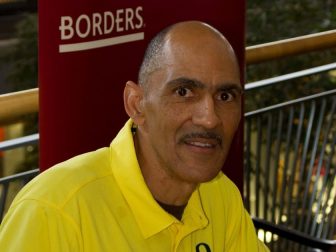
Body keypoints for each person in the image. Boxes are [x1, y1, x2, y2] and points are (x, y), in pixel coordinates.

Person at [0, 21, 268, 251]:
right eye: (184, 92)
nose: (210, 118)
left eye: (225, 96)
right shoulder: (55, 209)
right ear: (137, 104)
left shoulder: (220, 195)